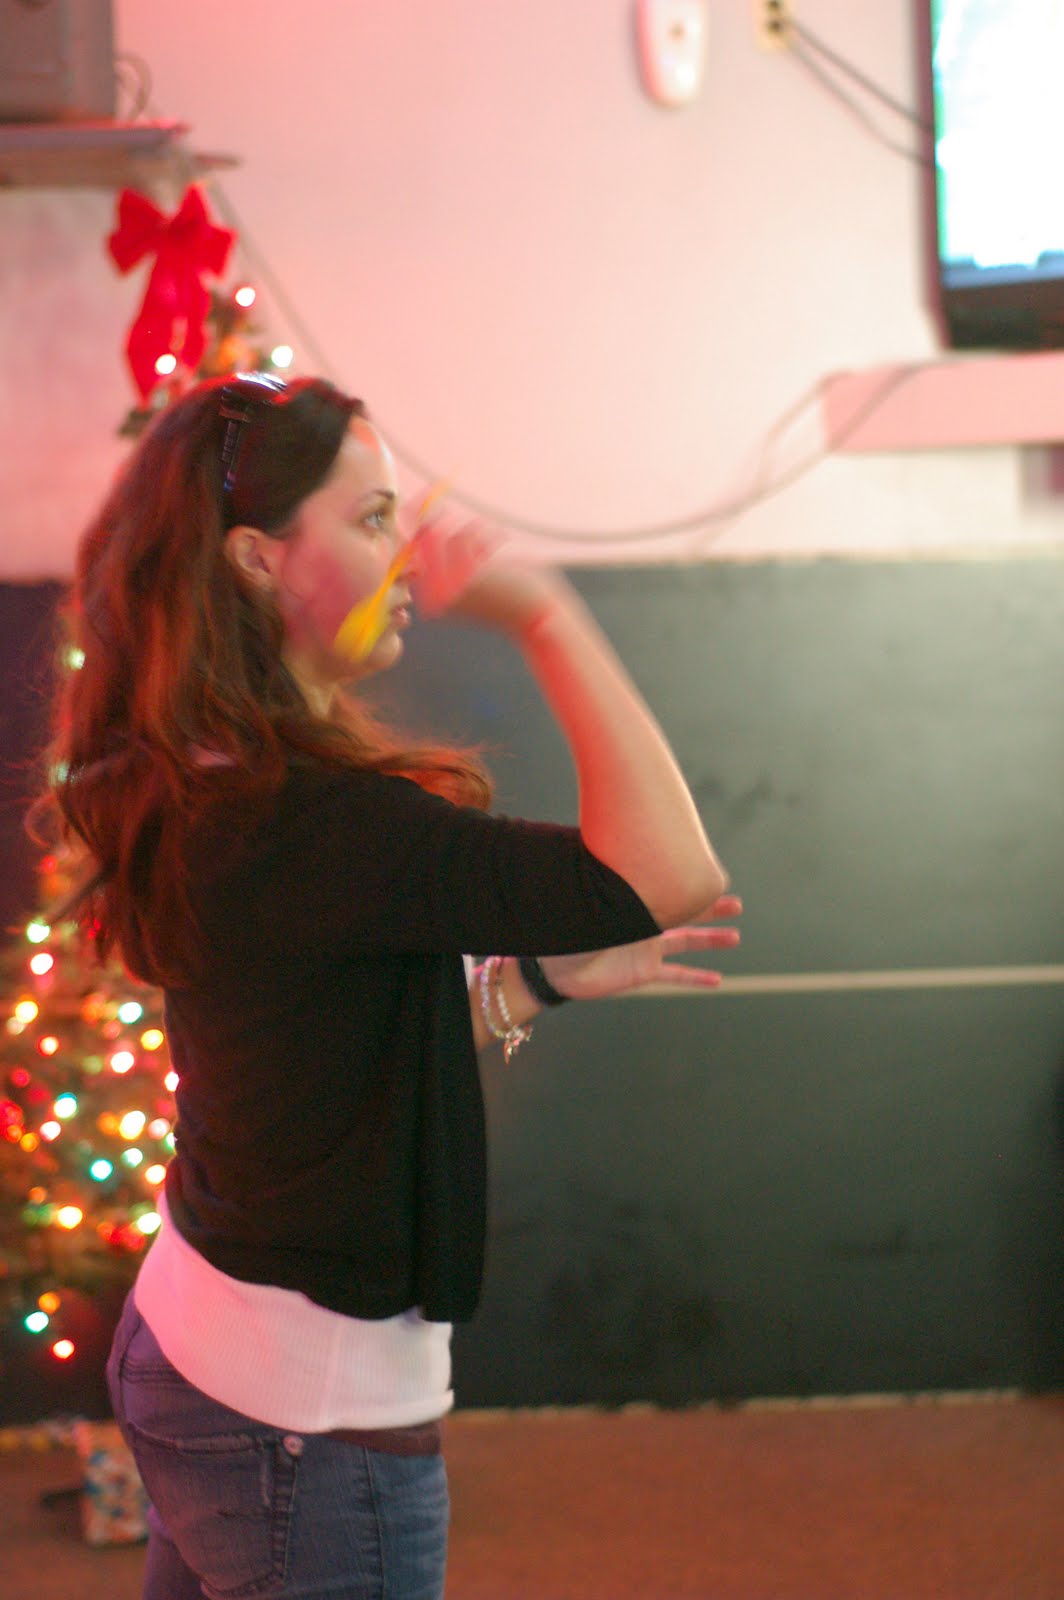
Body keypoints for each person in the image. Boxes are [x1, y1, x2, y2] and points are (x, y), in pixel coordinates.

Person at [41, 372, 740, 1600]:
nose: (406, 551)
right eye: (372, 519)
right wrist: (542, 613)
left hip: (200, 1353)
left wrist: (532, 985)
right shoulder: (312, 820)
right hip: (298, 1422)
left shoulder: (218, 781)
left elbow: (321, 1058)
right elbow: (667, 875)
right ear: (258, 559)